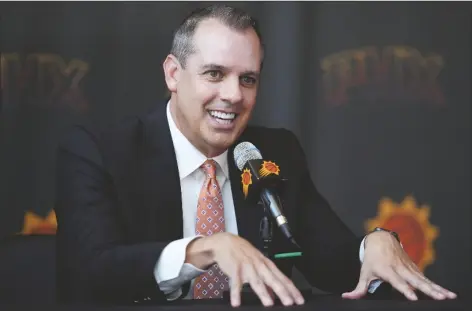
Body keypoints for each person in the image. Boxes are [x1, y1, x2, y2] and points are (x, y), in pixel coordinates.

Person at [55, 4, 457, 307]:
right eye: (215, 74)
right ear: (173, 74)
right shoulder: (99, 151)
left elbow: (333, 262)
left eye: (248, 79)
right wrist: (207, 248)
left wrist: (375, 245)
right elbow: (91, 273)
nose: (233, 95)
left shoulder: (272, 153)